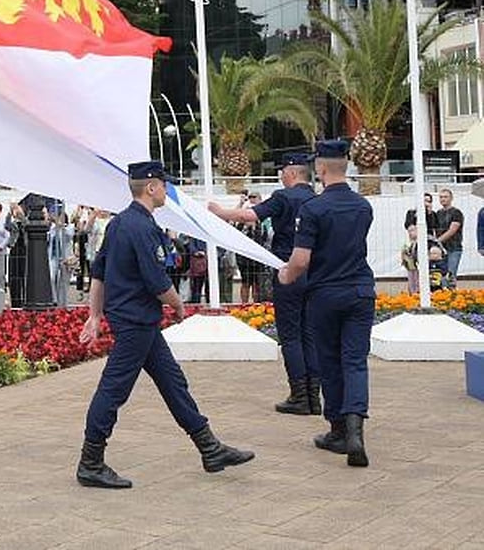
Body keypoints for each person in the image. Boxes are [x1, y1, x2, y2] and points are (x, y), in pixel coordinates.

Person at [76, 160, 253, 489]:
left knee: (173, 383)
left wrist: (95, 314)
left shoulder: (118, 224)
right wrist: (179, 304)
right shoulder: (142, 227)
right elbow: (157, 281)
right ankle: (91, 461)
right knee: (113, 390)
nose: (168, 191)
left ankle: (210, 448)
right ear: (151, 187)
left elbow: (98, 274)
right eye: (164, 185)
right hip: (136, 322)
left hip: (136, 321)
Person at [279, 140, 375, 468]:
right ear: (345, 166)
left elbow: (301, 259)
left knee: (330, 362)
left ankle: (337, 431)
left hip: (326, 294)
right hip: (361, 291)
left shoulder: (313, 209)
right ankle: (356, 430)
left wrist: (285, 276)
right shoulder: (364, 207)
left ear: (320, 169)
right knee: (355, 361)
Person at [209, 152, 319, 416]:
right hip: (314, 272)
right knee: (309, 334)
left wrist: (220, 212)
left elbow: (252, 216)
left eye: (282, 171)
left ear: (291, 173)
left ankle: (300, 396)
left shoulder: (283, 197)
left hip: (287, 270)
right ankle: (314, 396)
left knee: (290, 335)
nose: (281, 176)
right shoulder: (316, 199)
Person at [435, 188, 464, 289]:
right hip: (441, 250)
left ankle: (452, 298)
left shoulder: (456, 213)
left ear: (451, 198)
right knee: (441, 275)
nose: (443, 199)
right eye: (441, 197)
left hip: (454, 248)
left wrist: (437, 241)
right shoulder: (438, 213)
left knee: (450, 275)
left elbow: (452, 230)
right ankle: (442, 297)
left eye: (445, 197)